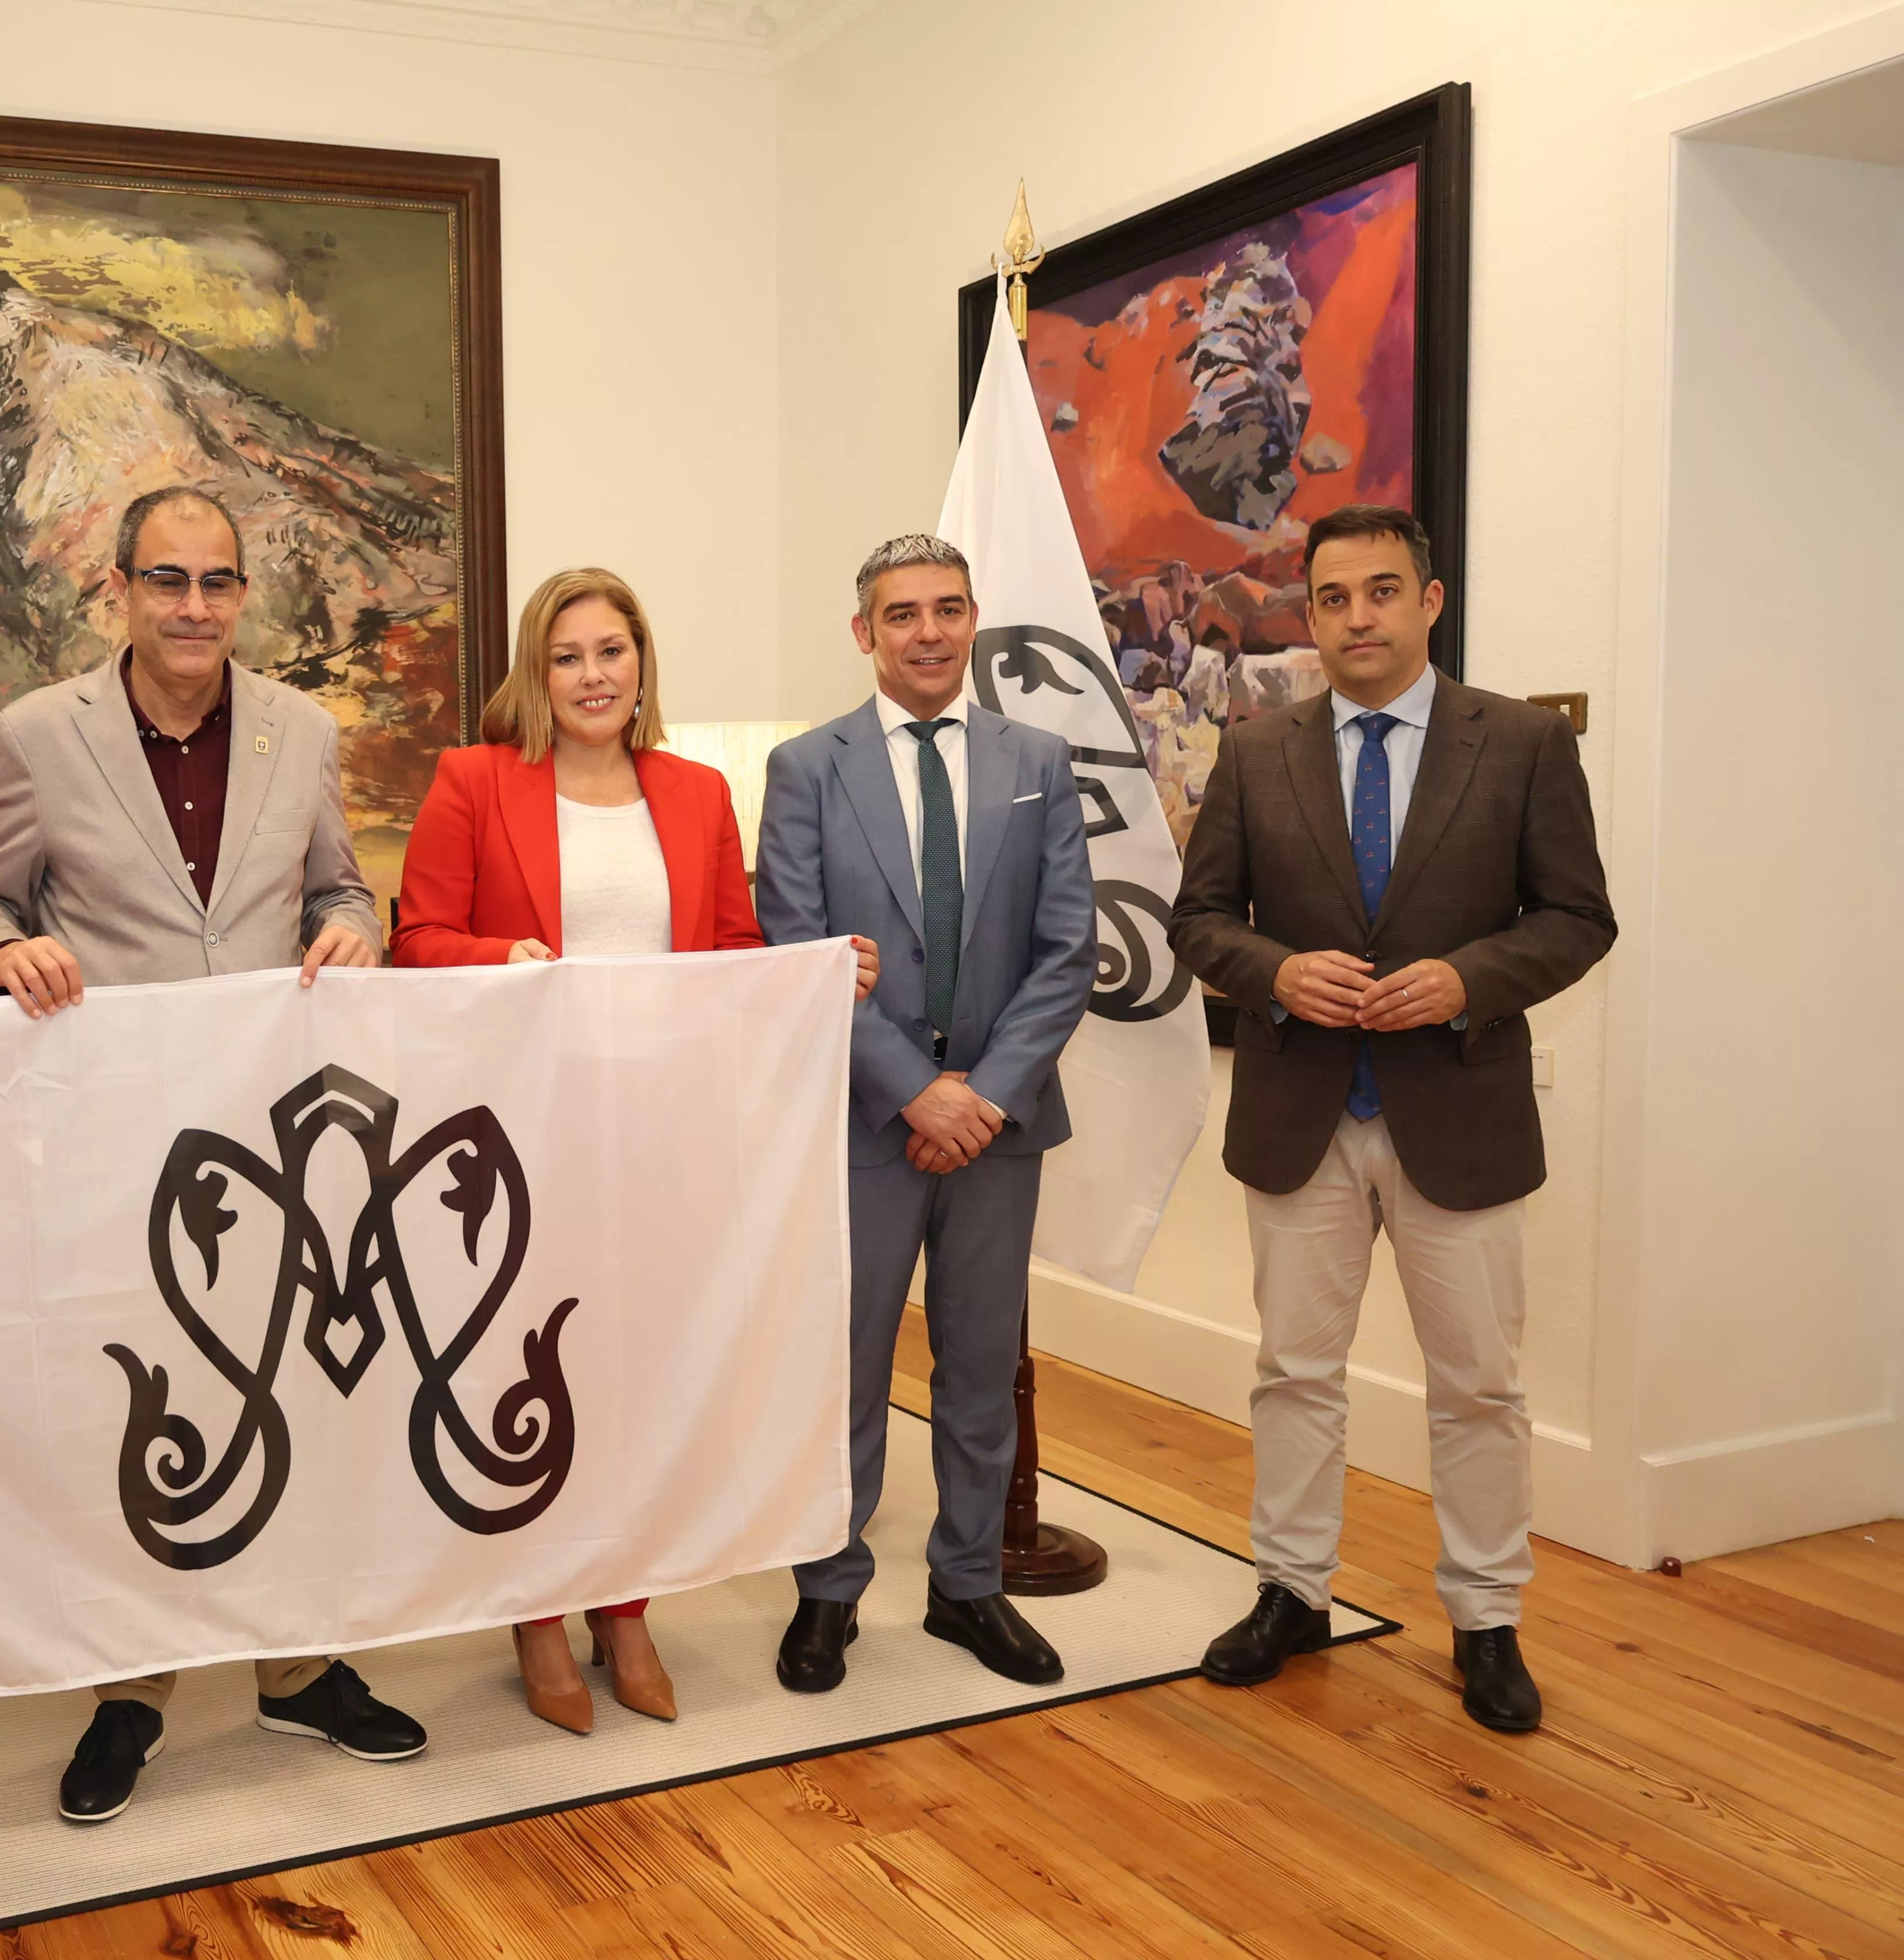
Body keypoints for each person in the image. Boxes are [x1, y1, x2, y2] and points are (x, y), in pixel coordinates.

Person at [0, 483, 424, 1823]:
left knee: (290, 1388)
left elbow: (337, 883)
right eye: (168, 581)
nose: (195, 607)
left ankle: (296, 1662)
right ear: (122, 591)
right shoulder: (44, 733)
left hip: (279, 1127)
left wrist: (355, 926)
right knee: (141, 1402)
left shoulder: (302, 730)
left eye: (216, 582)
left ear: (241, 595)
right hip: (111, 1133)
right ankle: (132, 1684)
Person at [394, 566, 879, 1734]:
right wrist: (502, 960)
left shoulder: (697, 789)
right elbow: (415, 938)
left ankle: (626, 1604)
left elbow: (732, 951)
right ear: (535, 670)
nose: (593, 673)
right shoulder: (473, 780)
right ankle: (538, 1611)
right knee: (529, 1377)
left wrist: (815, 974)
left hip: (661, 1134)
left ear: (642, 663)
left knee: (638, 1377)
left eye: (612, 650)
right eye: (568, 655)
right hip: (520, 1132)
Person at [1171, 504, 1614, 1733]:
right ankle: (1291, 1591)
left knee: (1477, 1385)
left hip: (1456, 1115)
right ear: (1307, 614)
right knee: (1293, 1371)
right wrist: (1272, 972)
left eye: (1379, 591)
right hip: (1296, 1113)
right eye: (1330, 597)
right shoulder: (1256, 748)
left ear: (1429, 601)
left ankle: (1485, 1617)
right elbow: (1199, 919)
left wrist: (1472, 978)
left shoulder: (1521, 743)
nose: (1355, 616)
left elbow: (1577, 917)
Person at [753, 533, 1095, 1696]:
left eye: (948, 609)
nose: (928, 632)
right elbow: (795, 946)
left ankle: (967, 1583)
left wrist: (981, 1096)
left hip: (997, 1128)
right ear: (864, 633)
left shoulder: (1037, 761)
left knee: (979, 1360)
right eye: (902, 613)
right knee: (842, 1368)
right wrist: (914, 1087)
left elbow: (1067, 951)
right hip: (860, 1119)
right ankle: (827, 1591)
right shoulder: (808, 767)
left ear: (973, 619)